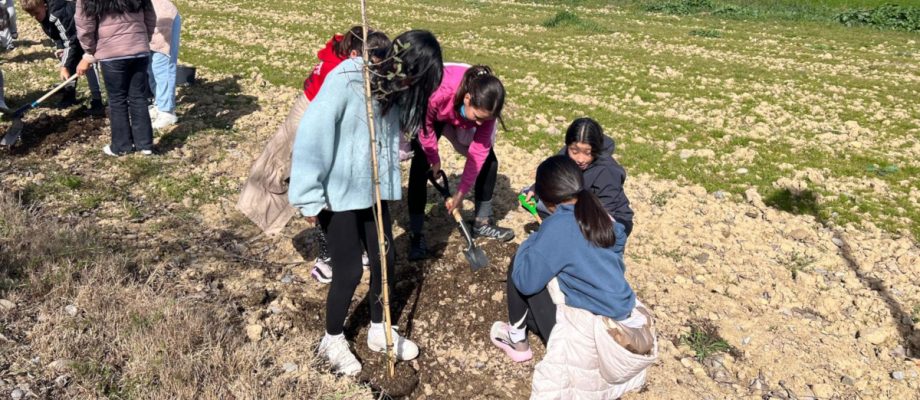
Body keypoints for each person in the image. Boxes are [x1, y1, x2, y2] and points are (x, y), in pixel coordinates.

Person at [287, 29, 443, 376]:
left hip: (372, 192)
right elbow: (314, 133)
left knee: (386, 260)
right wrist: (309, 196)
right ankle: (332, 338)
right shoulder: (349, 79)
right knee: (350, 270)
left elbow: (390, 140)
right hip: (338, 194)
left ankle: (378, 328)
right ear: (405, 67)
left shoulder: (393, 92)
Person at [490, 155, 657, 398]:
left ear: (546, 199)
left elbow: (527, 281)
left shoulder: (557, 227)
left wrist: (534, 239)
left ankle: (517, 341)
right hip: (625, 318)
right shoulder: (599, 213)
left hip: (594, 334)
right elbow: (612, 243)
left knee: (522, 262)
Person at [237, 26, 390, 284]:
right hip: (312, 115)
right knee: (300, 175)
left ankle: (348, 244)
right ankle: (325, 257)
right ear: (355, 54)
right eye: (373, 64)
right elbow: (314, 149)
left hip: (327, 115)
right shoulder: (337, 75)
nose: (376, 71)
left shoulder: (352, 62)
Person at [405, 63, 512, 260]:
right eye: (478, 117)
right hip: (436, 112)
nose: (480, 123)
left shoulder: (486, 112)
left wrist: (460, 194)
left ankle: (482, 223)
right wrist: (434, 158)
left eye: (485, 120)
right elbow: (426, 126)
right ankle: (416, 233)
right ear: (468, 98)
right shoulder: (440, 91)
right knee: (420, 164)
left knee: (489, 160)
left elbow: (477, 155)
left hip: (459, 112)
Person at [523, 117, 634, 254]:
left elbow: (606, 214)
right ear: (568, 145)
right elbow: (555, 176)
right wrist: (537, 186)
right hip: (579, 204)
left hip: (609, 218)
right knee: (536, 198)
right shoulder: (566, 154)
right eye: (574, 151)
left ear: (596, 149)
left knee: (590, 252)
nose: (580, 159)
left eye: (588, 153)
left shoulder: (607, 171)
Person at [75, 0, 155, 156]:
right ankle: (145, 145)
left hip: (111, 53)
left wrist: (89, 50)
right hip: (139, 50)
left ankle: (121, 146)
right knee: (139, 97)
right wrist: (144, 38)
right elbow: (151, 16)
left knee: (117, 100)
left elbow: (84, 24)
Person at [21, 0, 105, 114]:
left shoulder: (57, 14)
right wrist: (60, 48)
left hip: (85, 36)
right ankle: (69, 96)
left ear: (44, 6)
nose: (35, 17)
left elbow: (71, 41)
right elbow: (55, 34)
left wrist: (64, 66)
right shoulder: (44, 16)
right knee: (68, 61)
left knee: (89, 65)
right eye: (31, 15)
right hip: (72, 38)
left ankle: (97, 101)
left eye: (36, 13)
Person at [147, 0, 181, 129]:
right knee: (151, 68)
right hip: (149, 20)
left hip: (163, 20)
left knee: (162, 66)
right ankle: (159, 104)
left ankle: (167, 112)